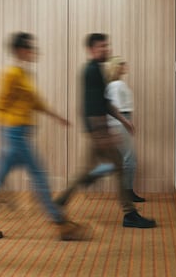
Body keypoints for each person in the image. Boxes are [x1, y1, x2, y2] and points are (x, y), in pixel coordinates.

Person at [0, 32, 87, 241]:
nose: (33, 52)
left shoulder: (24, 74)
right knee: (40, 178)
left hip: (17, 135)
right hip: (14, 136)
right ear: (19, 50)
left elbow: (35, 102)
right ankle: (61, 224)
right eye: (29, 48)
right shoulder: (10, 74)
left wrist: (56, 116)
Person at [54, 33, 156, 229]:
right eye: (102, 46)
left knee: (89, 170)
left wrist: (123, 121)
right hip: (97, 131)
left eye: (107, 46)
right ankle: (129, 214)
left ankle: (63, 199)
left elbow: (105, 103)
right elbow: (91, 106)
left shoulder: (97, 71)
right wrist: (102, 134)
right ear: (92, 49)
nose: (106, 49)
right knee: (118, 165)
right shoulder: (91, 71)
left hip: (97, 130)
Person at [104, 56, 145, 202]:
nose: (125, 66)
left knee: (122, 160)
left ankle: (92, 173)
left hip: (121, 121)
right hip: (120, 121)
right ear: (116, 67)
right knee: (130, 159)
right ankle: (128, 192)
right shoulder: (116, 85)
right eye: (122, 64)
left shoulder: (115, 84)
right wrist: (126, 122)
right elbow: (116, 108)